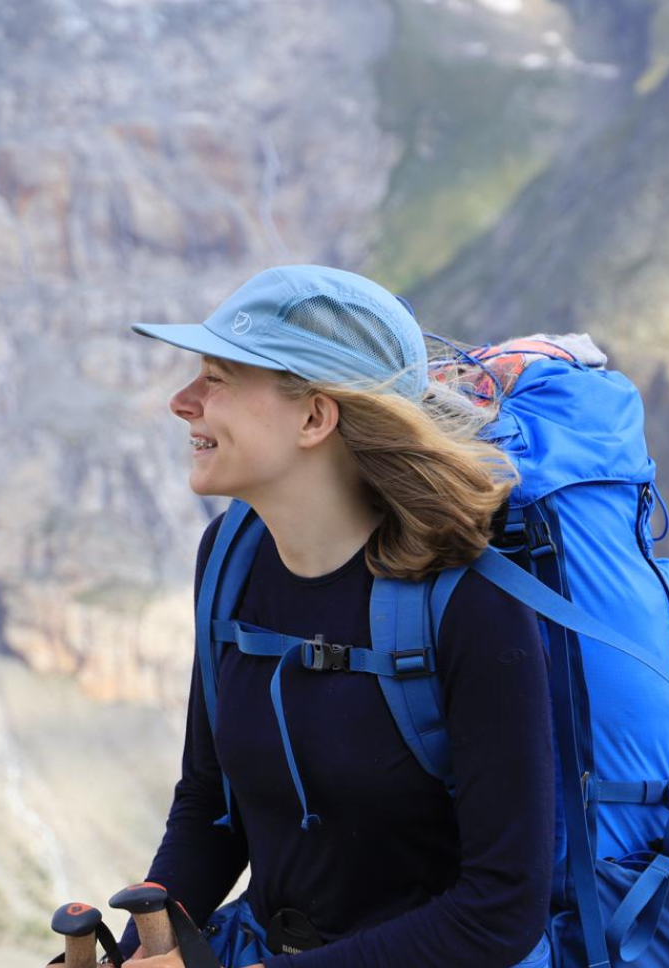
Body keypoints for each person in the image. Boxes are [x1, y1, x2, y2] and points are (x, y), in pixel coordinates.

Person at [119, 265, 555, 968]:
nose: (182, 401)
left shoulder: (471, 605)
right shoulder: (231, 557)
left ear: (316, 417)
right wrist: (137, 952)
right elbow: (209, 805)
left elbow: (500, 910)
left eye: (219, 379)